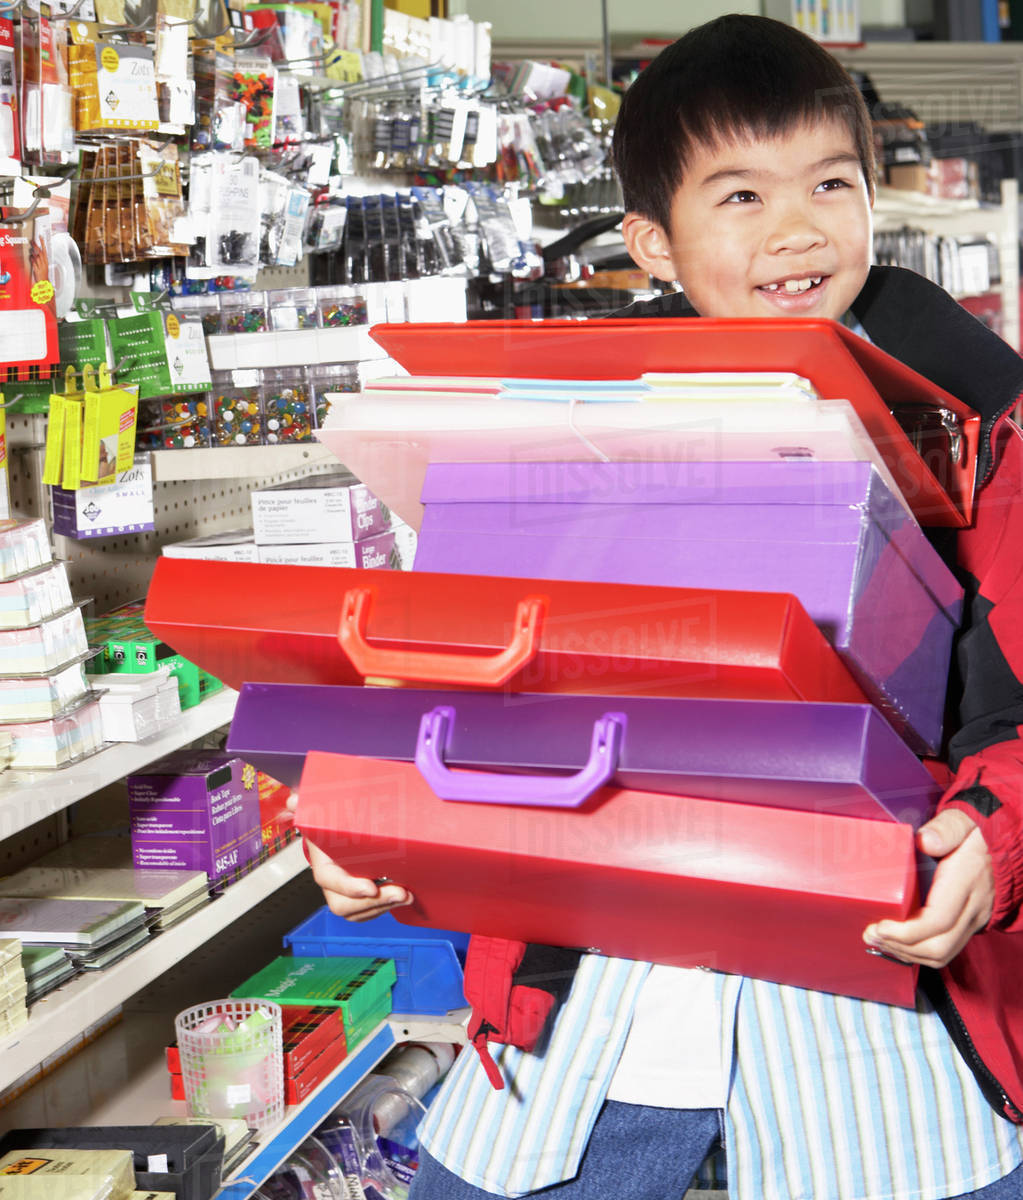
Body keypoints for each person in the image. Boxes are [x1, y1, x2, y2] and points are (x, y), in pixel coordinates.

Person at [299, 15, 1023, 1199]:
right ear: (651, 240)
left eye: (831, 183)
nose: (798, 229)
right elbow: (463, 673)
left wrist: (994, 842)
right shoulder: (561, 431)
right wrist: (374, 820)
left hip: (883, 1030)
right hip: (584, 1019)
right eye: (739, 197)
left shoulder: (984, 431)